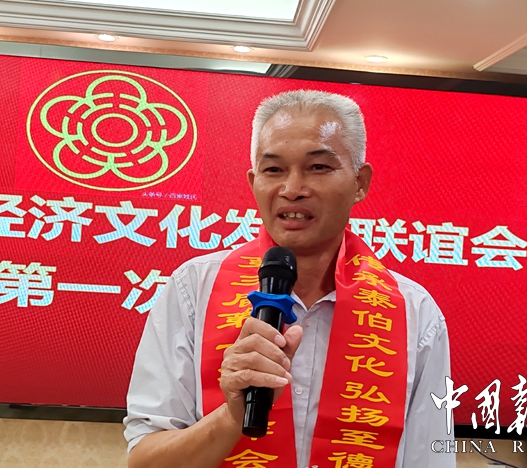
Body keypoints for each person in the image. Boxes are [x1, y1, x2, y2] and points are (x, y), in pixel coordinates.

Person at [124, 90, 455, 468]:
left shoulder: (414, 312)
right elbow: (145, 462)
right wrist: (231, 416)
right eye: (274, 170)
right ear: (254, 182)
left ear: (360, 182)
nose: (293, 189)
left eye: (318, 167)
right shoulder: (193, 289)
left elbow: (431, 459)